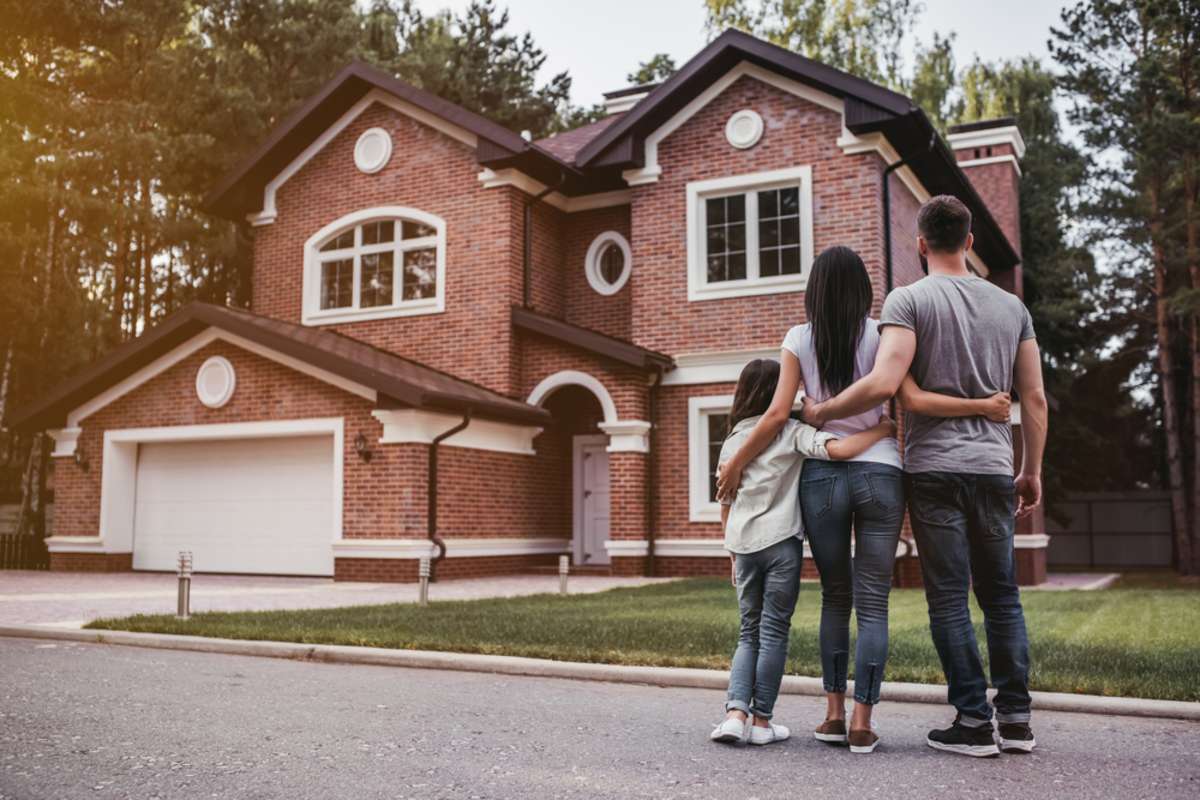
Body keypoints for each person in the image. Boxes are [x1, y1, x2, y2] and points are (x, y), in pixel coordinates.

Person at [715, 246, 1011, 755]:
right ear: (864, 291)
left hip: (823, 478)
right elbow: (905, 393)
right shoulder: (884, 334)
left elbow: (776, 415)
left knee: (835, 596)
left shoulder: (798, 338)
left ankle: (830, 715)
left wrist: (738, 460)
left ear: (813, 290)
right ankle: (861, 722)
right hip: (880, 472)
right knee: (873, 603)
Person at [800, 195, 1049, 758]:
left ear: (919, 245)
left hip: (934, 470)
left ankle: (972, 722)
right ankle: (1015, 719)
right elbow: (1033, 396)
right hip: (992, 469)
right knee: (1002, 597)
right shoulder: (1013, 309)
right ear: (970, 241)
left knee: (949, 600)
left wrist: (821, 411)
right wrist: (1030, 468)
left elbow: (887, 383)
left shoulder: (908, 300)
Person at [709, 357, 896, 747]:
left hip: (743, 548)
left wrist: (731, 554)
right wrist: (881, 429)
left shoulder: (732, 442)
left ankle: (733, 714)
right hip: (781, 547)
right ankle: (761, 723)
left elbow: (725, 502)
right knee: (773, 632)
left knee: (749, 632)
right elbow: (841, 450)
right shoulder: (792, 432)